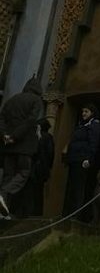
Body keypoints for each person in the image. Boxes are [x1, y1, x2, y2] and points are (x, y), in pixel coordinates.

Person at [0, 76, 43, 219]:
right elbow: (31, 121)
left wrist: (5, 135)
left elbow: (1, 118)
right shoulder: (36, 100)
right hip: (24, 146)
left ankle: (3, 211)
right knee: (24, 172)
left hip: (8, 146)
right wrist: (15, 136)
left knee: (8, 175)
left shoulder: (12, 99)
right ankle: (3, 194)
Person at [63, 104, 100, 219]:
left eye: (86, 111)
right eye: (83, 111)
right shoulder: (81, 125)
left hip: (82, 159)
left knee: (79, 188)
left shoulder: (94, 125)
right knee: (72, 187)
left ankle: (76, 215)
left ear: (92, 113)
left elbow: (94, 143)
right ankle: (69, 213)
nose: (83, 113)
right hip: (74, 159)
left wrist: (89, 159)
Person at [12, 118, 55, 217]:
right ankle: (35, 213)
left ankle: (26, 213)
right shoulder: (48, 138)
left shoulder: (41, 137)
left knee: (30, 192)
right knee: (37, 193)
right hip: (40, 170)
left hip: (34, 169)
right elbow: (50, 156)